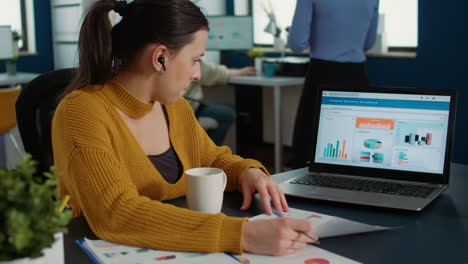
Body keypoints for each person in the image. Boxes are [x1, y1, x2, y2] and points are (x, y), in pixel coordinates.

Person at [52, 0, 316, 256]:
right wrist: (244, 235)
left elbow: (212, 158)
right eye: (195, 59)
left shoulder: (174, 107)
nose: (197, 74)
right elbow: (116, 213)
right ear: (160, 58)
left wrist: (245, 172)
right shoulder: (81, 111)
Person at [287, 0, 379, 169]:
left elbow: (297, 44)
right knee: (358, 149)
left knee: (307, 154)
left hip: (322, 76)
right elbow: (369, 43)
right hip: (357, 77)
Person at [185, 58, 255, 146]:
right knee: (228, 114)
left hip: (191, 104)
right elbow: (212, 73)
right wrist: (239, 72)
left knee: (229, 108)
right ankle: (207, 154)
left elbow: (212, 72)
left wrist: (239, 72)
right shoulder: (190, 61)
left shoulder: (189, 59)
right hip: (187, 109)